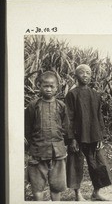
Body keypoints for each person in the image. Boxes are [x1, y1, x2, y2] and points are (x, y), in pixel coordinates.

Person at [65, 64, 112, 201]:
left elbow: (99, 117)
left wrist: (100, 137)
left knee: (99, 163)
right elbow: (68, 119)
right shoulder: (72, 94)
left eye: (88, 73)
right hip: (78, 137)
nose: (85, 75)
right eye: (82, 73)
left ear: (91, 76)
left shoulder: (95, 94)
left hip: (93, 135)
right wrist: (71, 139)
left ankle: (96, 192)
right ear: (76, 76)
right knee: (75, 165)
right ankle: (77, 194)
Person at [25, 71, 68, 201]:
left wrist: (63, 143)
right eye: (46, 86)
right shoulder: (34, 106)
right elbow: (27, 128)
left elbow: (65, 128)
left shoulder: (61, 106)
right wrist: (33, 146)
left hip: (58, 152)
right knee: (38, 186)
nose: (49, 89)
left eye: (52, 86)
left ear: (57, 88)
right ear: (39, 86)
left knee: (57, 185)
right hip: (38, 151)